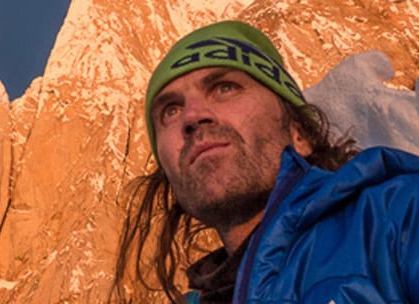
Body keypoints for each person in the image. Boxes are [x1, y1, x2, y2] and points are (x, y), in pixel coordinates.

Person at [111, 20, 419, 303]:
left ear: (299, 133)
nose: (192, 116)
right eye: (171, 110)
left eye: (225, 88)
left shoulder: (397, 218)